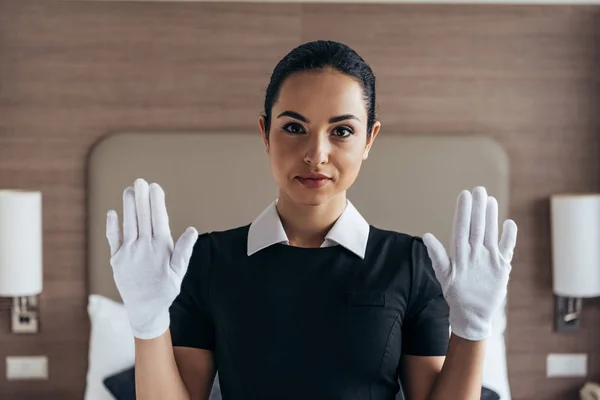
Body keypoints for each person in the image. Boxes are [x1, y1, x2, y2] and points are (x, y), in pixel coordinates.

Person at [105, 40, 518, 400]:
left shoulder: (410, 265)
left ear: (369, 139)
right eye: (294, 127)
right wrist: (148, 322)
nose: (316, 153)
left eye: (341, 132)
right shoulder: (209, 261)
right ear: (265, 134)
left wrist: (472, 328)